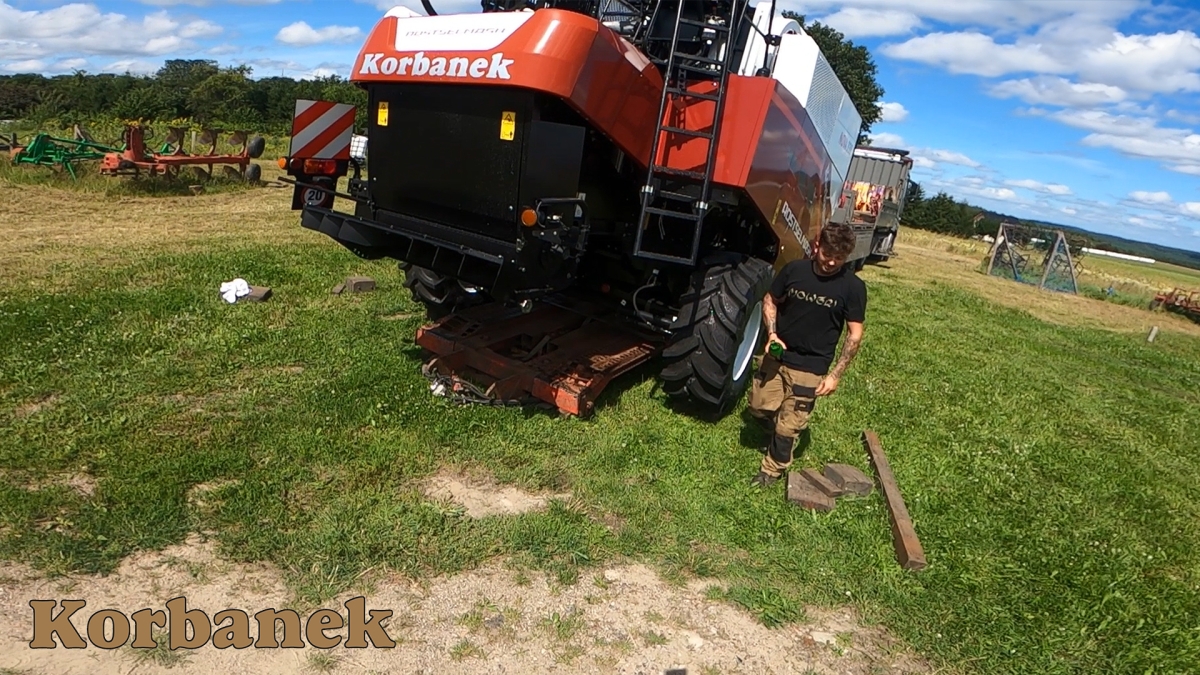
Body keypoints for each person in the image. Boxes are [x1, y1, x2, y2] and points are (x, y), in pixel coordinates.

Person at [747, 221, 867, 487]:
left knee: (788, 426)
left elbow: (854, 335)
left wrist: (835, 375)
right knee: (757, 406)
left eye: (839, 258)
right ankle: (773, 426)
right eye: (827, 254)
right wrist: (773, 334)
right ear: (816, 246)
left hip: (811, 366)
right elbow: (770, 299)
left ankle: (772, 470)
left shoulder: (853, 287)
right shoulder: (794, 271)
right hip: (778, 356)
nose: (832, 263)